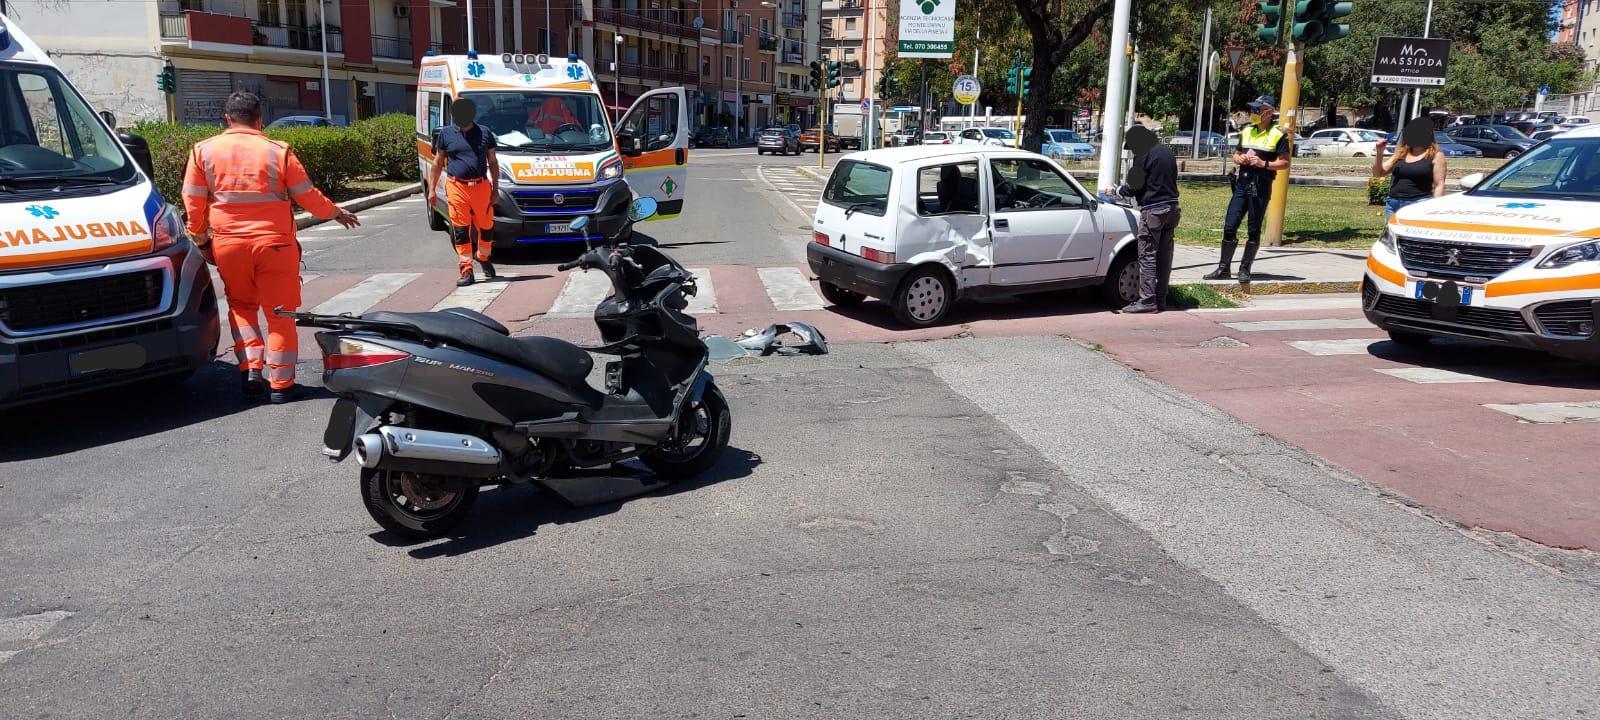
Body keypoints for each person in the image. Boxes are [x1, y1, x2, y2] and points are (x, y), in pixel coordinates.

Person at [182, 92, 359, 404]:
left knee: (241, 306)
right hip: (275, 245)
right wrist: (335, 213)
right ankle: (282, 384)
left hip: (228, 244)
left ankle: (251, 366)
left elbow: (193, 201)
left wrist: (200, 238)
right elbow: (307, 195)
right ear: (259, 119)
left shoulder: (203, 152)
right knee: (280, 315)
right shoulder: (277, 151)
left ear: (227, 119)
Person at [1206, 95, 1290, 283]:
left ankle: (1245, 269)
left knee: (1253, 228)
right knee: (1230, 225)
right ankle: (1223, 268)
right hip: (1242, 183)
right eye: (1252, 110)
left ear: (1268, 112)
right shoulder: (1246, 130)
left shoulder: (1278, 134)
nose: (1253, 113)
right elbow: (1236, 153)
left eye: (1257, 110)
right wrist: (1238, 159)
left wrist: (1264, 163)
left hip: (1261, 184)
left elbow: (1284, 162)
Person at [1104, 126, 1181, 314]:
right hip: (1172, 209)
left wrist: (1116, 190)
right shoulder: (1166, 152)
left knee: (1147, 255)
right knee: (1164, 256)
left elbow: (1135, 187)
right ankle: (1161, 298)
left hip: (1153, 211)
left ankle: (1147, 300)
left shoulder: (1144, 155)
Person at [428, 98, 499, 286]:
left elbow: (492, 162)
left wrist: (496, 189)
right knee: (460, 230)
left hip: (481, 187)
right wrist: (432, 189)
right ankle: (466, 269)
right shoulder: (446, 134)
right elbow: (437, 162)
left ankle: (483, 257)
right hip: (456, 186)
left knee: (486, 227)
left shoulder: (485, 133)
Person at [1373, 117, 1447, 220]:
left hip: (1418, 204)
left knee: (1414, 234)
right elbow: (1378, 173)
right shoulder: (1401, 153)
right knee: (1393, 235)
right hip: (1393, 204)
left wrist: (1434, 209)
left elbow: (1439, 185)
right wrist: (1380, 151)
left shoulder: (1436, 156)